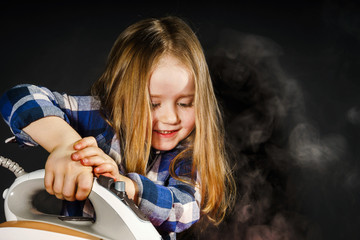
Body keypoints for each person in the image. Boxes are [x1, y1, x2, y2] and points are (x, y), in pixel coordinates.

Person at [0, 16, 235, 239]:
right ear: (121, 97)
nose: (171, 118)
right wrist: (66, 146)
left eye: (185, 103)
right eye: (152, 104)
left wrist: (126, 187)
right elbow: (19, 98)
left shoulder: (186, 154)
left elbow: (185, 208)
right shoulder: (100, 117)